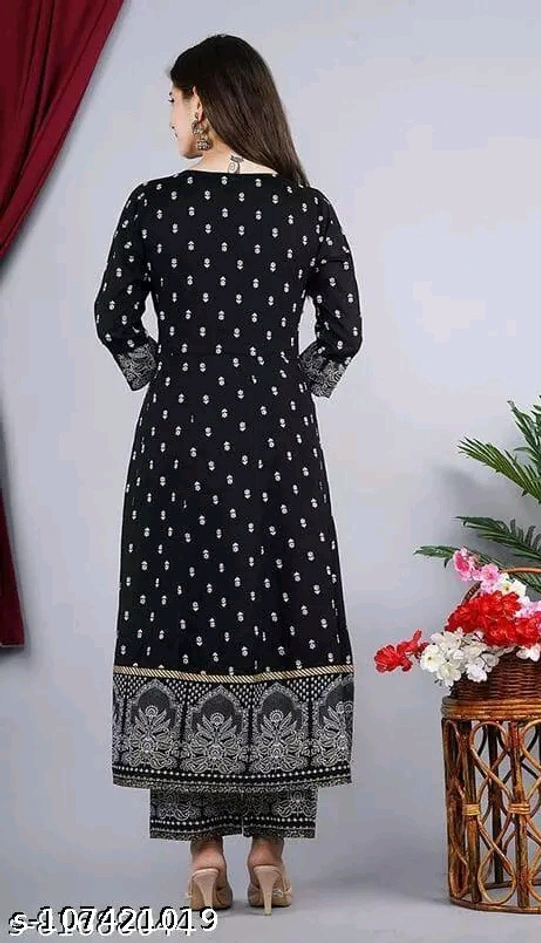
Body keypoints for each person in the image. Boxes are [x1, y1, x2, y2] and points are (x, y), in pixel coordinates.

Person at [93, 33, 363, 916]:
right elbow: (346, 331)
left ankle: (203, 858)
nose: (169, 117)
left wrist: (164, 371)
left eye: (173, 99)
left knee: (182, 615)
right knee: (282, 614)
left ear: (202, 100)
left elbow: (112, 316)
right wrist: (289, 382)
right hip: (278, 444)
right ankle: (270, 860)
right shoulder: (305, 208)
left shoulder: (153, 204)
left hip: (179, 440)